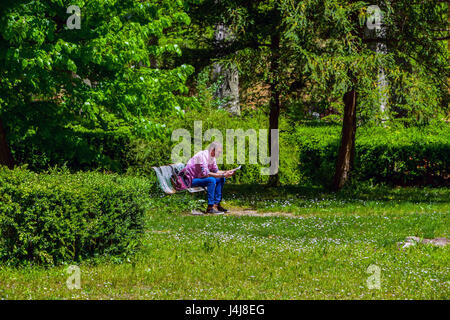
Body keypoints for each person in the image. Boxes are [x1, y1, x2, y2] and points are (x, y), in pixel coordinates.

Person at [183, 141, 235, 214]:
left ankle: (216, 205)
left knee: (221, 179)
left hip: (199, 178)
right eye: (218, 152)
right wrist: (223, 174)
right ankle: (210, 207)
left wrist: (227, 172)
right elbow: (206, 174)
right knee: (211, 180)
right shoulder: (202, 156)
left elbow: (216, 171)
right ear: (212, 150)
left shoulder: (212, 158)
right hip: (190, 180)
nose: (220, 154)